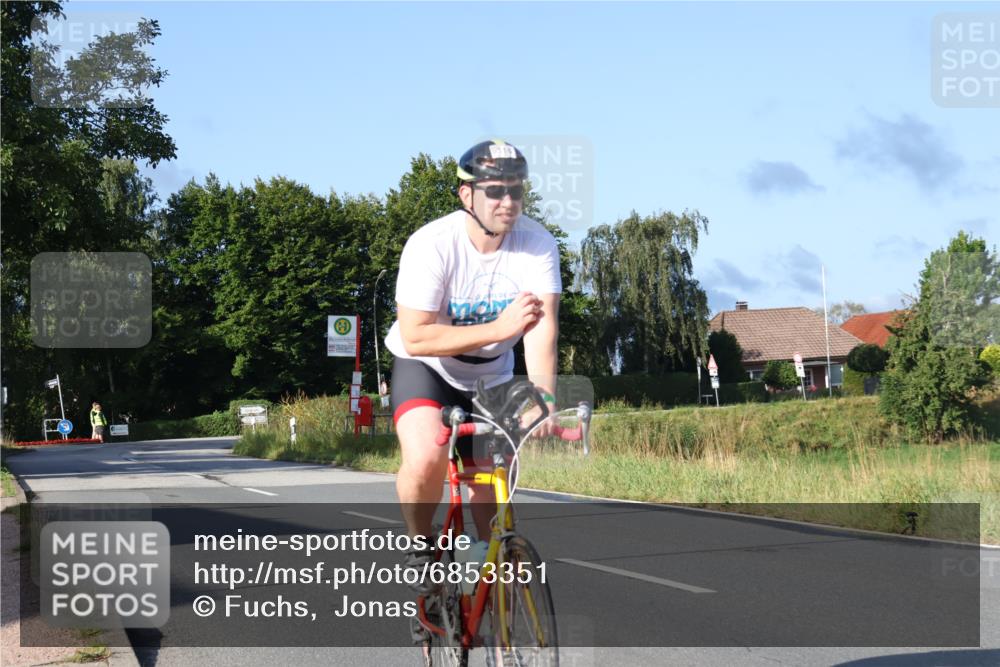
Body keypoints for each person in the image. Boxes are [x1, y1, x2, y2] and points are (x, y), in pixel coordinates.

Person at [384, 139, 562, 591]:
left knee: (491, 483)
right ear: (467, 196)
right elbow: (416, 335)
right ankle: (423, 549)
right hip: (427, 367)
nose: (508, 202)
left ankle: (497, 597)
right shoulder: (431, 245)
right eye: (496, 191)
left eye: (517, 190)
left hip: (490, 376)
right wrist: (499, 328)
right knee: (426, 457)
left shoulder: (537, 243)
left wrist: (543, 394)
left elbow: (542, 328)